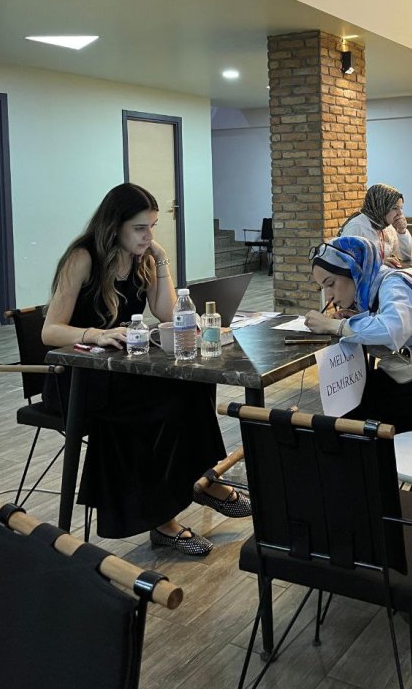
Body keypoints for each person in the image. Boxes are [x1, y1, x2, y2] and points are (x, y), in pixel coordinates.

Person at [42, 183, 251, 555]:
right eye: (140, 228)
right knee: (149, 406)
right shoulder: (83, 258)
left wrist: (162, 260)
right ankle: (162, 519)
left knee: (193, 387)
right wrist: (98, 333)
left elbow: (169, 312)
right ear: (114, 226)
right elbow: (50, 331)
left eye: (152, 227)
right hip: (78, 375)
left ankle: (202, 479)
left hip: (123, 369)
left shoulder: (143, 259)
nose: (148, 236)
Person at [304, 236, 412, 432]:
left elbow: (391, 329)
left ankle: (392, 450)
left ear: (355, 271)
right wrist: (358, 320)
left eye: (330, 284)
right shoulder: (379, 284)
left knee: (367, 405)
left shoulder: (394, 284)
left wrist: (336, 326)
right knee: (361, 392)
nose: (328, 296)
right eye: (323, 288)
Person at [339, 183, 412, 266]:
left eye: (401, 208)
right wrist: (377, 264)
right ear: (380, 206)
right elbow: (345, 263)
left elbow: (405, 257)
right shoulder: (356, 227)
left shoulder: (386, 226)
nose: (400, 213)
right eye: (395, 208)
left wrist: (402, 231)